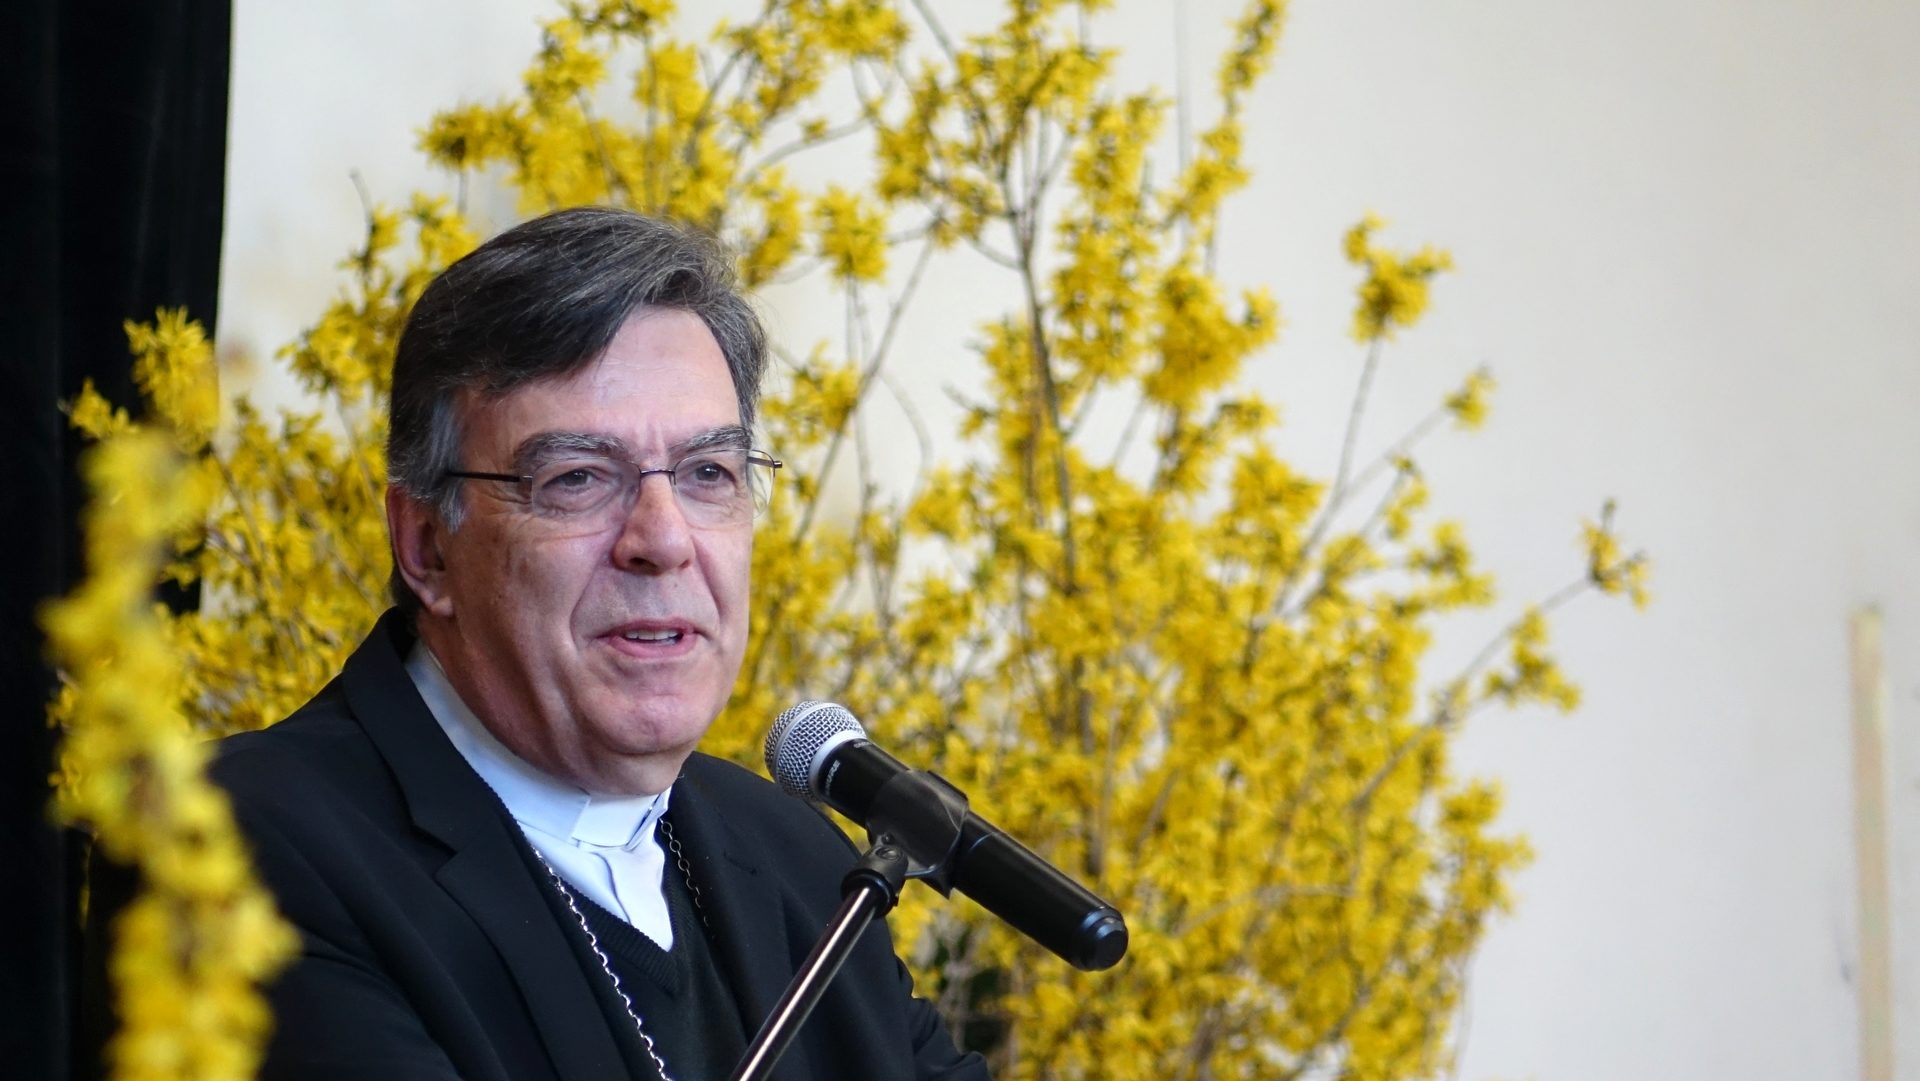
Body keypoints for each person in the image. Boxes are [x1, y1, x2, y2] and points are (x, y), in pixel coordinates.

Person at [209, 207, 990, 1081]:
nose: (663, 539)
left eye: (708, 473)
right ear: (427, 545)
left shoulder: (795, 859)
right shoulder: (246, 847)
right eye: (577, 478)